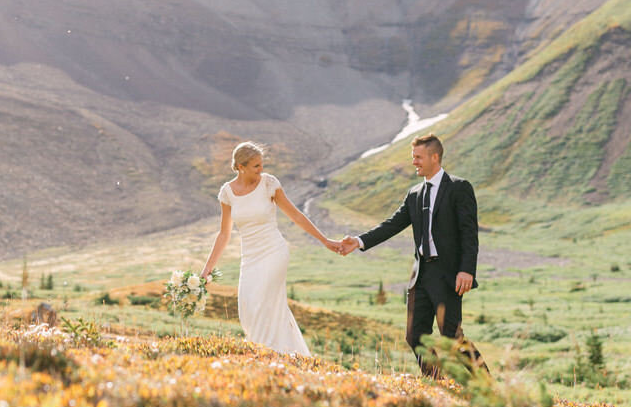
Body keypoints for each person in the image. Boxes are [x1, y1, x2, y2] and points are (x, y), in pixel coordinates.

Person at [340, 134, 487, 378]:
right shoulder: (414, 194)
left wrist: (467, 269)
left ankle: (486, 385)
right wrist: (358, 241)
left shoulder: (459, 188)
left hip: (448, 275)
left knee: (451, 337)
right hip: (421, 275)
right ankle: (435, 381)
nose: (414, 162)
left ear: (434, 157)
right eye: (413, 158)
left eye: (418, 158)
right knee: (415, 335)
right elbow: (391, 225)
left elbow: (469, 233)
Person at [202, 141, 343, 356]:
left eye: (261, 165)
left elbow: (296, 215)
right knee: (248, 308)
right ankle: (286, 355)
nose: (261, 170)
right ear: (241, 167)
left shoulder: (269, 184)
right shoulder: (227, 193)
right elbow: (224, 233)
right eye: (256, 166)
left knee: (262, 303)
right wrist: (207, 268)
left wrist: (325, 240)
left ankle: (264, 357)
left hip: (273, 252)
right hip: (249, 258)